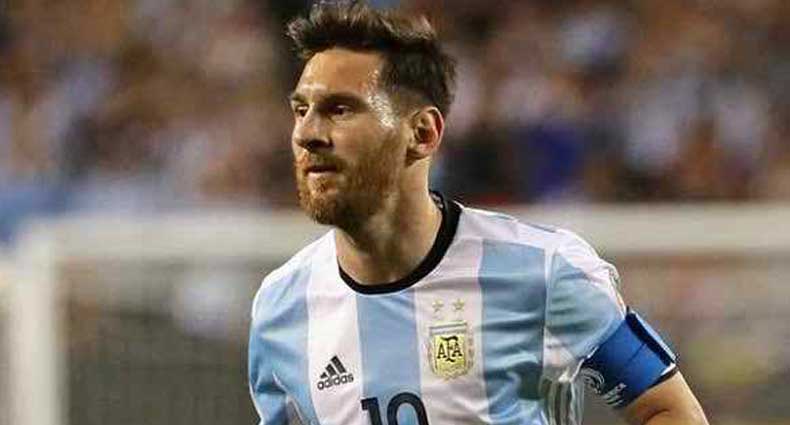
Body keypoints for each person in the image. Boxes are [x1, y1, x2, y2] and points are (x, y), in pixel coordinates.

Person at [248, 2, 709, 424]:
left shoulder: (543, 270)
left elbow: (666, 409)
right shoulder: (280, 309)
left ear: (423, 134)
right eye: (301, 110)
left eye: (340, 110)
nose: (307, 133)